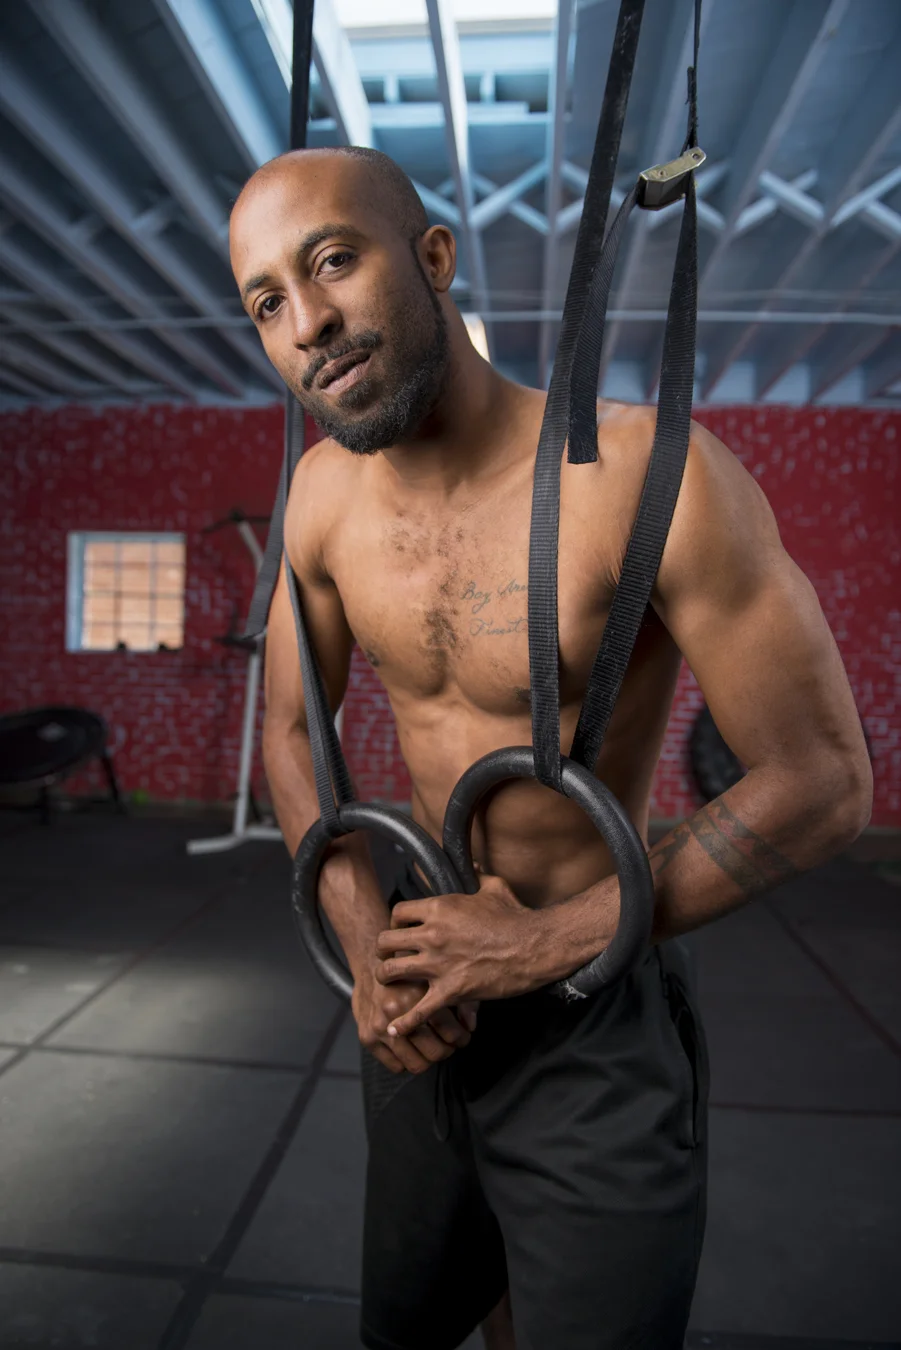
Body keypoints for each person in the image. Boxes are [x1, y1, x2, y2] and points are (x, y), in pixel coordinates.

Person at [228, 146, 873, 1350]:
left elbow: (825, 781)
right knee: (436, 1310)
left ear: (433, 257)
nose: (307, 323)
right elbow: (288, 730)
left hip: (590, 994)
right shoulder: (320, 497)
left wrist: (542, 940)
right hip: (422, 979)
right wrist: (366, 943)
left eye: (333, 261)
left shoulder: (646, 478)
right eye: (267, 301)